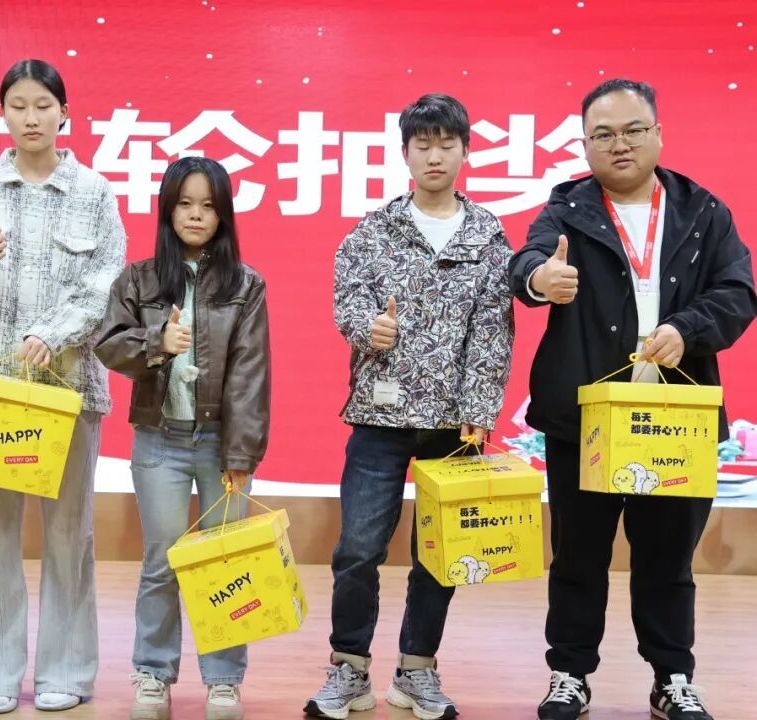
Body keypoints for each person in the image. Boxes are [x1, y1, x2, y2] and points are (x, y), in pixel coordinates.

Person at [508, 78, 757, 720]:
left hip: (676, 416)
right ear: (585, 144)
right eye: (603, 134)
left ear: (658, 133)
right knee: (578, 555)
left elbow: (738, 292)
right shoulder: (566, 208)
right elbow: (525, 262)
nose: (619, 144)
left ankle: (672, 678)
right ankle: (569, 674)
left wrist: (688, 329)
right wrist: (540, 278)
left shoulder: (704, 212)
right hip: (585, 416)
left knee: (668, 557)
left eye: (632, 130)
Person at [304, 93, 514, 720]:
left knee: (440, 553)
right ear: (405, 153)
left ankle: (417, 671)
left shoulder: (487, 234)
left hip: (455, 423)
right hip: (380, 416)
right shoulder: (373, 231)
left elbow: (493, 329)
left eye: (446, 144)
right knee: (358, 549)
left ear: (465, 151)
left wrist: (480, 405)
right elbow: (346, 301)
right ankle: (348, 668)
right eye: (423, 144)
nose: (434, 156)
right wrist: (367, 327)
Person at [0, 59, 126, 714]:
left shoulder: (94, 192)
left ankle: (66, 671)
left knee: (70, 534)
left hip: (69, 386)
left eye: (43, 104)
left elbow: (107, 286)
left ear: (64, 112)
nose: (31, 117)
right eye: (18, 105)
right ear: (4, 114)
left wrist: (53, 332)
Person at [95, 156, 271, 720]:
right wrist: (157, 342)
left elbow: (250, 375)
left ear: (223, 215)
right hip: (159, 442)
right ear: (169, 210)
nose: (196, 215)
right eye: (186, 204)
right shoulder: (140, 278)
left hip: (222, 446)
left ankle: (223, 681)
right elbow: (108, 344)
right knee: (161, 564)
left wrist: (241, 454)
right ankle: (152, 675)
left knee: (226, 563)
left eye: (208, 206)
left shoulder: (246, 285)